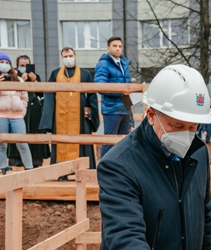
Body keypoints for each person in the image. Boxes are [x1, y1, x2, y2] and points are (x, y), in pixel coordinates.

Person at [96, 65, 211, 250]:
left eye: (193, 126)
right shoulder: (120, 165)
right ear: (151, 114)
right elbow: (126, 240)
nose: (188, 134)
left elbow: (205, 213)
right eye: (178, 126)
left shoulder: (197, 154)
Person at [39, 47, 99, 179]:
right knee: (60, 142)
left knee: (81, 142)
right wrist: (48, 119)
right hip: (60, 116)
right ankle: (61, 173)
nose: (68, 58)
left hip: (79, 116)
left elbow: (92, 95)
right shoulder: (55, 74)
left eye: (70, 55)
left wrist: (91, 113)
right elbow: (49, 96)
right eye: (65, 56)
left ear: (75, 56)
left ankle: (83, 172)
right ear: (62, 58)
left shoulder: (85, 74)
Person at [7, 55, 49, 168]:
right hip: (19, 108)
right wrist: (23, 81)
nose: (24, 68)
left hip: (34, 108)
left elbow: (41, 94)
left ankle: (36, 159)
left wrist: (34, 81)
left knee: (35, 132)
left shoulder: (36, 77)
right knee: (18, 134)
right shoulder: (13, 76)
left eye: (27, 65)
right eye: (22, 65)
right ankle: (16, 159)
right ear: (17, 65)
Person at [94, 36, 132, 158]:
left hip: (125, 108)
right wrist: (122, 92)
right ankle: (104, 169)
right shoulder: (103, 64)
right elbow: (100, 86)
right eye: (115, 46)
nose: (117, 49)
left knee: (124, 143)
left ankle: (121, 171)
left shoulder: (124, 64)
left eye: (120, 46)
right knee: (109, 142)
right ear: (108, 48)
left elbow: (127, 88)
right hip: (111, 109)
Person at [0, 52, 34, 174]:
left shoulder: (19, 79)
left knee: (22, 143)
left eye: (6, 63)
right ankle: (3, 167)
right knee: (1, 144)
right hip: (1, 116)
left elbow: (25, 97)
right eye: (2, 62)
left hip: (17, 116)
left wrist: (22, 110)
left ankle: (29, 167)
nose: (4, 65)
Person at [199, 95, 211, 164]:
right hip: (210, 129)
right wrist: (204, 130)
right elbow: (204, 121)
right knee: (210, 145)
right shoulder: (208, 110)